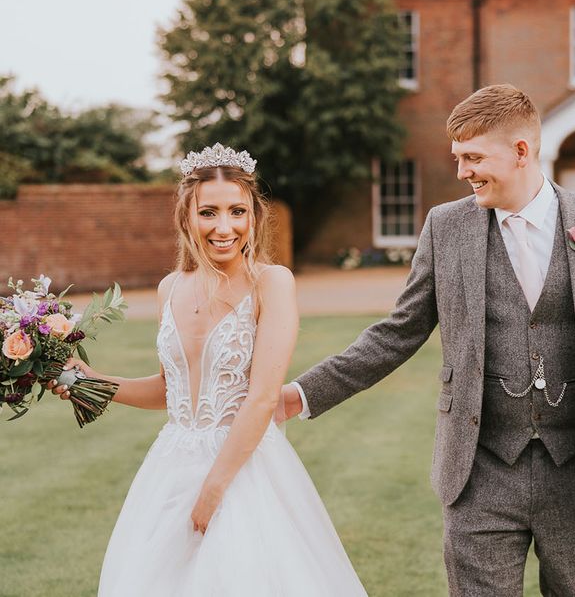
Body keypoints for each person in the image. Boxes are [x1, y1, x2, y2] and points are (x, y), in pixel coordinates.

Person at [280, 85, 575, 595]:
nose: (462, 171)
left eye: (473, 157)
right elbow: (397, 333)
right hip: (479, 469)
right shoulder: (446, 227)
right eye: (458, 158)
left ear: (521, 152)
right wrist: (301, 394)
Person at [49, 143, 367, 597]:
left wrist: (215, 487)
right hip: (171, 465)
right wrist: (87, 381)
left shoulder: (271, 283)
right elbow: (168, 390)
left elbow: (261, 397)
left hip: (244, 469)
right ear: (186, 217)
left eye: (237, 211)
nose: (225, 227)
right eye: (209, 212)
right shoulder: (169, 288)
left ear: (254, 216)